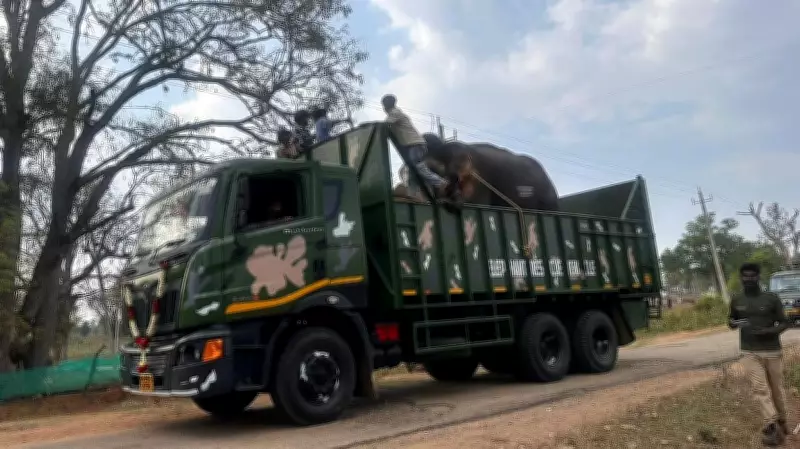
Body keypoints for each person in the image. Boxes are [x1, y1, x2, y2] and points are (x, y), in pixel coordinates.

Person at [729, 262, 790, 446]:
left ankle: (782, 421)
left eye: (752, 276)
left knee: (776, 390)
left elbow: (784, 322)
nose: (748, 279)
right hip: (749, 351)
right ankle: (771, 426)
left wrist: (769, 332)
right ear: (741, 278)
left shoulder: (771, 298)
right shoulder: (736, 299)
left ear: (758, 277)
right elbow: (731, 320)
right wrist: (732, 324)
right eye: (745, 276)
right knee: (760, 389)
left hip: (772, 351)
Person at [381, 94, 451, 199]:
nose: (384, 108)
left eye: (384, 106)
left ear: (386, 106)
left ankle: (441, 183)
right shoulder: (395, 114)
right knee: (411, 171)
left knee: (418, 167)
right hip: (414, 145)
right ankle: (412, 194)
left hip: (415, 144)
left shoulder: (395, 113)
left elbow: (384, 125)